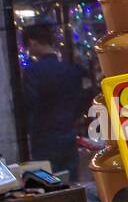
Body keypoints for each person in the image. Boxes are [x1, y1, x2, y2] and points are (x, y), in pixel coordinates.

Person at [21, 24, 91, 180]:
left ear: (33, 42)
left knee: (48, 182)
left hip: (44, 137)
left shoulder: (33, 72)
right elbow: (82, 98)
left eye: (28, 46)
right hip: (68, 133)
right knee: (71, 182)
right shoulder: (70, 70)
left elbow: (30, 104)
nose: (28, 51)